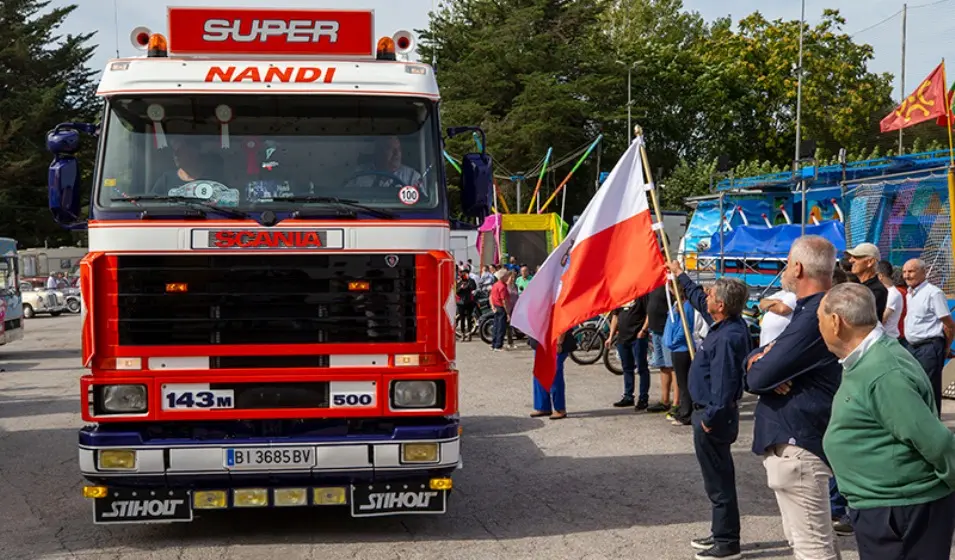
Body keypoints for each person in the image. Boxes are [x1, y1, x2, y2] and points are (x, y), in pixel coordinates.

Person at [819, 283, 955, 560]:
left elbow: (936, 442)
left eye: (818, 319)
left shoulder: (883, 371)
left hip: (900, 512)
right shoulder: (865, 359)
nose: (817, 327)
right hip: (888, 509)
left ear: (836, 322)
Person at [744, 235, 842, 559]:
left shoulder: (816, 313)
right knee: (814, 541)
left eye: (787, 262)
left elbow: (760, 375)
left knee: (813, 548)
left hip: (800, 445)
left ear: (797, 268)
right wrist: (760, 362)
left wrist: (764, 366)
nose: (785, 269)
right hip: (798, 441)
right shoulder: (811, 310)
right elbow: (761, 361)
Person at [666, 260, 750, 560]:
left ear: (722, 305)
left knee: (719, 482)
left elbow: (725, 386)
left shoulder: (729, 337)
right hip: (709, 414)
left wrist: (710, 418)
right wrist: (680, 275)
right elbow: (699, 300)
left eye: (711, 293)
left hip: (713, 418)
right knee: (715, 479)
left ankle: (727, 543)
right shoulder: (726, 322)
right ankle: (720, 532)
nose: (706, 295)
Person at [901, 258, 955, 417]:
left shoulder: (933, 293)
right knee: (914, 386)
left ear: (923, 272)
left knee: (929, 387)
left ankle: (932, 425)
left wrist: (945, 348)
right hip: (912, 347)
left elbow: (949, 324)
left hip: (929, 346)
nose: (906, 275)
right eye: (904, 272)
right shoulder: (910, 294)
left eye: (911, 271)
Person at [606, 295, 651, 411]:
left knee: (642, 368)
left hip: (637, 337)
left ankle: (643, 398)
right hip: (622, 338)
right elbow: (615, 316)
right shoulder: (620, 295)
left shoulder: (641, 295)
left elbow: (648, 314)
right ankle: (628, 396)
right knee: (627, 368)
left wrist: (643, 330)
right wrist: (610, 336)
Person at [663, 281, 696, 426]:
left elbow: (685, 327)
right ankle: (684, 409)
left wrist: (674, 341)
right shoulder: (677, 305)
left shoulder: (687, 306)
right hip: (676, 348)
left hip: (682, 349)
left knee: (684, 383)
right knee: (681, 382)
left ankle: (687, 413)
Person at [529, 331, 577, 420]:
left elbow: (563, 322)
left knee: (554, 374)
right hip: (541, 339)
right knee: (540, 373)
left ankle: (560, 409)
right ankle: (543, 406)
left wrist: (559, 342)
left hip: (555, 339)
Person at [646, 284, 677, 415]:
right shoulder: (652, 285)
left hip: (667, 330)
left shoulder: (669, 283)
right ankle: (665, 400)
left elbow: (679, 298)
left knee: (673, 368)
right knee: (663, 366)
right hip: (656, 330)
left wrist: (671, 287)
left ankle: (677, 403)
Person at [347, 135, 422, 189]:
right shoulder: (358, 174)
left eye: (399, 149)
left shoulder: (412, 177)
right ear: (378, 152)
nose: (397, 154)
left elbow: (422, 205)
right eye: (390, 149)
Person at [845, 243, 888, 319]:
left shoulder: (876, 290)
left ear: (870, 262)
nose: (851, 260)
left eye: (856, 257)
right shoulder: (862, 287)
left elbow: (857, 317)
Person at [877, 260, 903, 340]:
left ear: (880, 276)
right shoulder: (886, 292)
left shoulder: (893, 294)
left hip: (888, 338)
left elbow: (883, 318)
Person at [489, 269, 510, 351]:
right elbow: (504, 300)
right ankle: (498, 345)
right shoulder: (502, 286)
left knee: (496, 326)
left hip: (496, 306)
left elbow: (491, 296)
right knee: (501, 327)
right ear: (503, 277)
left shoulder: (495, 285)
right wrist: (508, 312)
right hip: (501, 307)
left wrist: (492, 306)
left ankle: (494, 344)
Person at [455, 269, 477, 341]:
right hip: (461, 303)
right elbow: (456, 291)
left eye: (465, 274)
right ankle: (463, 334)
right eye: (463, 274)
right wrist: (461, 287)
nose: (464, 275)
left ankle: (469, 334)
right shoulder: (460, 282)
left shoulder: (471, 281)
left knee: (469, 318)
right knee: (462, 318)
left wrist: (468, 282)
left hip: (469, 302)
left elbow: (473, 287)